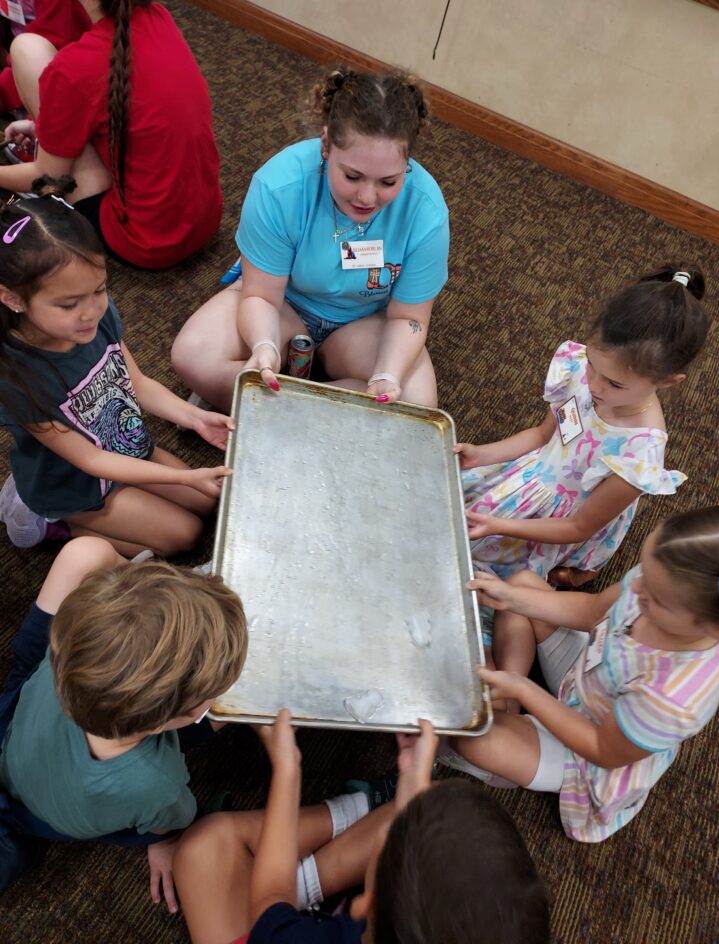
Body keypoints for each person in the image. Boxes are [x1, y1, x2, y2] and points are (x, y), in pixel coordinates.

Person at [440, 505, 719, 843]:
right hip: (588, 676)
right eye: (643, 573)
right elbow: (592, 611)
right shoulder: (658, 580)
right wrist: (511, 598)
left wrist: (526, 690)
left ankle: (508, 729)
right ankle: (507, 706)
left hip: (590, 748)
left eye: (655, 600)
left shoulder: (676, 700)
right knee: (521, 585)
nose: (635, 590)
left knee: (474, 738)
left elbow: (601, 749)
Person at [171, 66, 449, 411]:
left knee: (417, 403)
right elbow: (261, 295)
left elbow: (409, 317)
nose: (367, 197)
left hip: (362, 322)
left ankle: (265, 401)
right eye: (352, 176)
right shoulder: (279, 185)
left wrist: (387, 375)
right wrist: (264, 346)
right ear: (325, 144)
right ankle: (324, 405)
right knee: (192, 354)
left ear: (407, 162)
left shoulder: (426, 211)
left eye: (388, 182)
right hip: (284, 303)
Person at [0, 538, 248, 902]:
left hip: (20, 735)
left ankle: (159, 609)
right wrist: (167, 839)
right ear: (189, 714)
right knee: (243, 704)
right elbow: (176, 819)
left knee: (85, 553)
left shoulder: (73, 656)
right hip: (57, 804)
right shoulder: (158, 781)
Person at [457, 268, 709, 614]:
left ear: (668, 381)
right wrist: (481, 455)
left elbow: (579, 526)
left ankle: (581, 570)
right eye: (591, 364)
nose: (593, 385)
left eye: (615, 384)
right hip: (535, 471)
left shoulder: (640, 454)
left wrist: (498, 525)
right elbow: (543, 435)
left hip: (566, 518)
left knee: (483, 585)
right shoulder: (582, 373)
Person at [173, 713, 550, 944]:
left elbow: (270, 895)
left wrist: (287, 767)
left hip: (275, 926)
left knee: (201, 848)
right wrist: (412, 779)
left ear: (361, 906)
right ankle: (316, 871)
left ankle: (296, 882)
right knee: (425, 812)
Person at [0, 188, 233, 556]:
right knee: (185, 536)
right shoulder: (16, 377)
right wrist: (183, 477)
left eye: (99, 289)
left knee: (207, 503)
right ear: (13, 298)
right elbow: (91, 460)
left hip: (124, 447)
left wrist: (196, 417)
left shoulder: (95, 317)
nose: (92, 311)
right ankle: (50, 521)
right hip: (73, 483)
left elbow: (136, 382)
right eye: (68, 304)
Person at [0, 0, 221, 269]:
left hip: (141, 242)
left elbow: (49, 177)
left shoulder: (74, 68)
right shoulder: (159, 17)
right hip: (202, 221)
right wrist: (48, 128)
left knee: (26, 49)